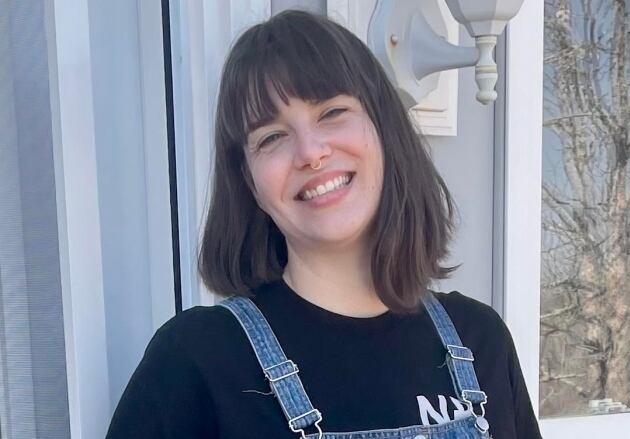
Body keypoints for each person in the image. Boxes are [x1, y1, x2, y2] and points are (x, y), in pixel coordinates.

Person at [107, 9, 541, 439]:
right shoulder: (196, 361)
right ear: (250, 184)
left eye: (331, 112)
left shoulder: (481, 340)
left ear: (383, 129)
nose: (310, 152)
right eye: (272, 137)